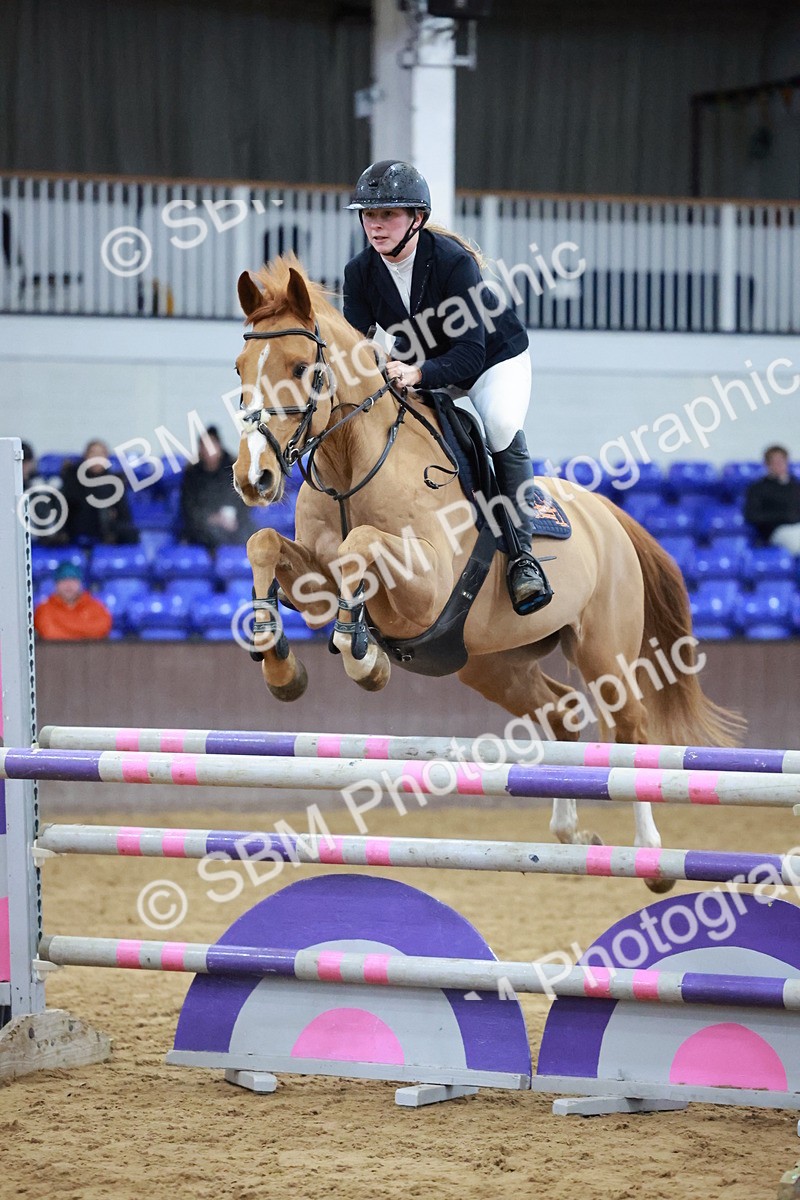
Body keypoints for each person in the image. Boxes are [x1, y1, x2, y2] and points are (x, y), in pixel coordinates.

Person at [343, 159, 551, 615]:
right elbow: (355, 346)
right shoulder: (359, 272)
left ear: (416, 218)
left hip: (491, 359)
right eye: (369, 215)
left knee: (499, 424)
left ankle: (523, 557)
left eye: (388, 215)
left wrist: (415, 374)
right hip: (419, 361)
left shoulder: (454, 263)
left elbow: (470, 355)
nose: (375, 225)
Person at [180, 425, 251, 549]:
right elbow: (188, 507)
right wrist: (211, 518)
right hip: (203, 529)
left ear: (219, 446)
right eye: (205, 447)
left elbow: (244, 501)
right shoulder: (192, 474)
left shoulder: (234, 470)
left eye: (212, 446)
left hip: (235, 526)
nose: (209, 451)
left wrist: (234, 519)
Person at [60, 440, 139, 545]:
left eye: (101, 454)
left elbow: (125, 516)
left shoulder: (115, 483)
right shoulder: (72, 479)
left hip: (106, 532)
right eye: (93, 454)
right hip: (76, 529)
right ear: (86, 456)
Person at [34, 562, 112, 641]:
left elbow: (102, 628)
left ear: (80, 583)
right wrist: (84, 631)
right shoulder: (44, 609)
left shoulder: (96, 606)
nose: (68, 585)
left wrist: (64, 627)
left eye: (73, 580)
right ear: (56, 584)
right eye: (63, 580)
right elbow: (49, 633)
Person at [744, 445, 800, 553]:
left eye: (782, 461)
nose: (779, 465)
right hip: (777, 531)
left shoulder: (795, 486)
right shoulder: (758, 488)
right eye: (775, 462)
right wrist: (784, 517)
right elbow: (752, 515)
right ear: (767, 464)